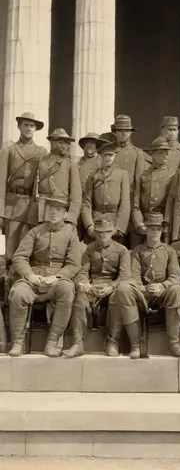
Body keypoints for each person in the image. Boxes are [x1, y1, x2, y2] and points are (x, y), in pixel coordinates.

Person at [9, 197, 81, 357]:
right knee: (18, 292)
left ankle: (52, 343)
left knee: (67, 289)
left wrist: (57, 277)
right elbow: (19, 257)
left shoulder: (71, 234)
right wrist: (29, 275)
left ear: (65, 214)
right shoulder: (35, 231)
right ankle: (17, 343)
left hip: (56, 282)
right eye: (52, 209)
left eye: (59, 209)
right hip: (34, 279)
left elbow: (74, 264)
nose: (54, 212)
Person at [115, 213, 180, 358]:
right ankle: (135, 345)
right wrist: (144, 288)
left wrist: (162, 286)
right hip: (142, 294)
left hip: (161, 294)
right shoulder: (137, 251)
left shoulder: (169, 251)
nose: (155, 232)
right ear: (146, 230)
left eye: (158, 229)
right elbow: (133, 277)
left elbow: (176, 276)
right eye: (152, 229)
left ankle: (174, 343)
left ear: (162, 231)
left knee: (177, 290)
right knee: (123, 288)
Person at [63, 219, 131, 358]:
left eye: (106, 232)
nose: (103, 236)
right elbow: (83, 272)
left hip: (112, 287)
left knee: (119, 297)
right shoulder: (90, 248)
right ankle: (78, 343)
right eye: (99, 233)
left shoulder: (121, 250)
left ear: (112, 232)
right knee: (80, 297)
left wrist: (111, 287)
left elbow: (124, 276)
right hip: (93, 286)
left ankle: (113, 342)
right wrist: (86, 284)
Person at [0, 112, 47, 266]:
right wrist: (1, 212)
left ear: (36, 130)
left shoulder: (41, 152)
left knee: (29, 250)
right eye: (26, 125)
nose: (29, 128)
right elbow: (1, 182)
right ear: (19, 126)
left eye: (32, 126)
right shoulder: (9, 150)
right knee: (11, 251)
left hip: (31, 206)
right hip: (12, 205)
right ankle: (9, 285)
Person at [82, 133, 130, 244]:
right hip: (96, 222)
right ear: (100, 155)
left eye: (111, 155)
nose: (108, 158)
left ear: (115, 155)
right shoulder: (93, 175)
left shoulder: (122, 174)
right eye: (105, 155)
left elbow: (125, 205)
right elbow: (86, 203)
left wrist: (118, 228)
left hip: (113, 223)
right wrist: (89, 226)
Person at [132, 137, 177, 247]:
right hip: (146, 221)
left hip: (163, 221)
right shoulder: (143, 175)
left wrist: (167, 224)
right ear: (153, 154)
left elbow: (173, 203)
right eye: (161, 153)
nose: (165, 156)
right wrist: (139, 223)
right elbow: (136, 205)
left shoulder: (173, 174)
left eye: (167, 153)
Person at [110, 114, 146, 247]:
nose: (123, 133)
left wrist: (136, 206)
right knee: (115, 237)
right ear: (115, 132)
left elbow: (138, 181)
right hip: (114, 202)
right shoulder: (110, 152)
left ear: (131, 132)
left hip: (131, 200)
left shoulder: (137, 153)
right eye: (120, 130)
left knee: (134, 237)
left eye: (126, 130)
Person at [34, 128, 81, 228]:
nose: (64, 145)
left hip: (61, 212)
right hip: (42, 212)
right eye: (60, 142)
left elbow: (76, 196)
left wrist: (71, 219)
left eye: (67, 143)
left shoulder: (71, 165)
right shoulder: (41, 162)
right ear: (52, 142)